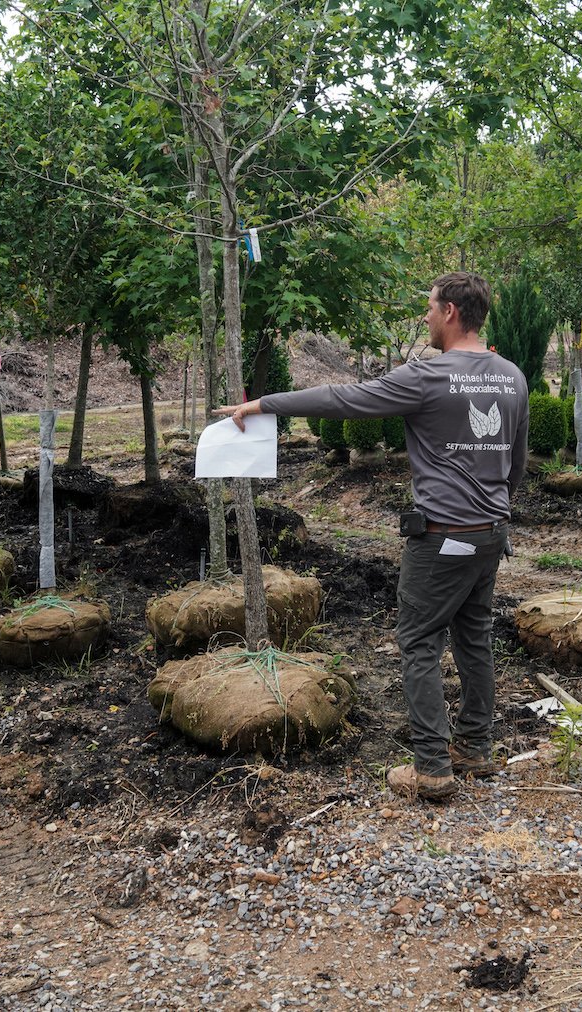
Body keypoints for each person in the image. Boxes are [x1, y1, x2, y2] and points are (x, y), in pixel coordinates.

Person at [218, 272, 529, 803]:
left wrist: (264, 403)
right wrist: (489, 514)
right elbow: (515, 465)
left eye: (430, 308)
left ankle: (432, 768)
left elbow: (343, 399)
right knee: (473, 637)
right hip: (488, 536)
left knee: (418, 643)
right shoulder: (512, 377)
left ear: (451, 311)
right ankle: (476, 746)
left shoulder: (427, 377)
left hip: (440, 540)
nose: (426, 317)